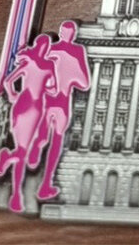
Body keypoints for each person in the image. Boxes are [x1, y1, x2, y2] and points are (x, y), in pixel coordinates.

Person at [27, 21, 90, 200]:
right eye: (66, 32)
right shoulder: (65, 51)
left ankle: (45, 179)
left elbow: (84, 82)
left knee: (53, 138)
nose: (66, 35)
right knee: (52, 138)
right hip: (56, 99)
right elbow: (84, 82)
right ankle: (43, 173)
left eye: (67, 32)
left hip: (56, 99)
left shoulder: (69, 51)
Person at [0, 34, 55, 213]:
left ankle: (7, 160)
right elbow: (8, 81)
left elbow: (8, 82)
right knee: (23, 151)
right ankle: (16, 196)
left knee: (25, 152)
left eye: (46, 45)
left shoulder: (41, 64)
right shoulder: (39, 64)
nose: (44, 48)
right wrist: (13, 95)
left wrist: (14, 94)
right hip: (28, 106)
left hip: (34, 107)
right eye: (43, 45)